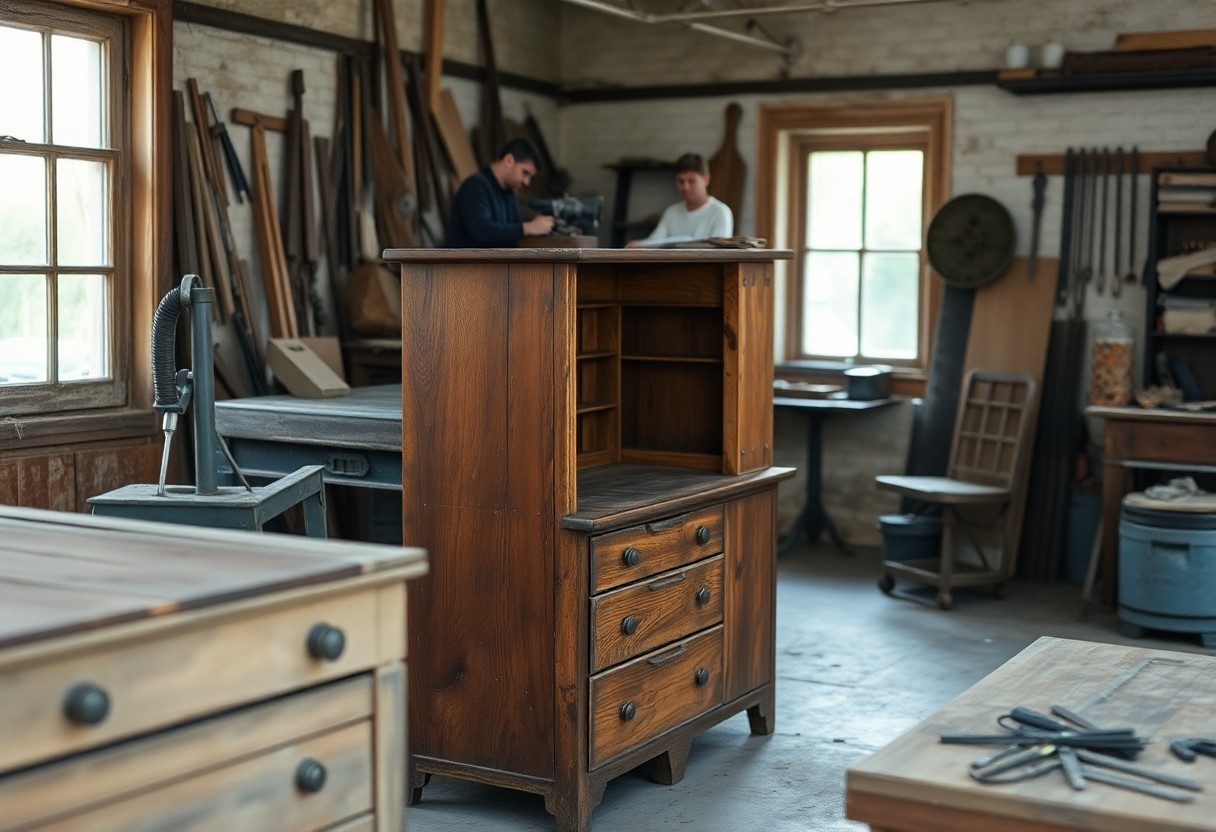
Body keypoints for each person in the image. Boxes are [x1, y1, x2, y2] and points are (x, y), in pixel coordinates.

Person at [445, 138, 555, 247]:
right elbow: (481, 230)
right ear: (508, 160)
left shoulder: (509, 192)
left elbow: (513, 228)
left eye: (530, 177)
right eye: (525, 173)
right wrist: (528, 228)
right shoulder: (475, 186)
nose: (527, 182)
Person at [626, 152, 733, 248]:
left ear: (706, 179)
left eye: (691, 181)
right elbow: (655, 241)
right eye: (681, 181)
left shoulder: (720, 212)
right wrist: (639, 245)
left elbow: (719, 252)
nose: (685, 187)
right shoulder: (671, 212)